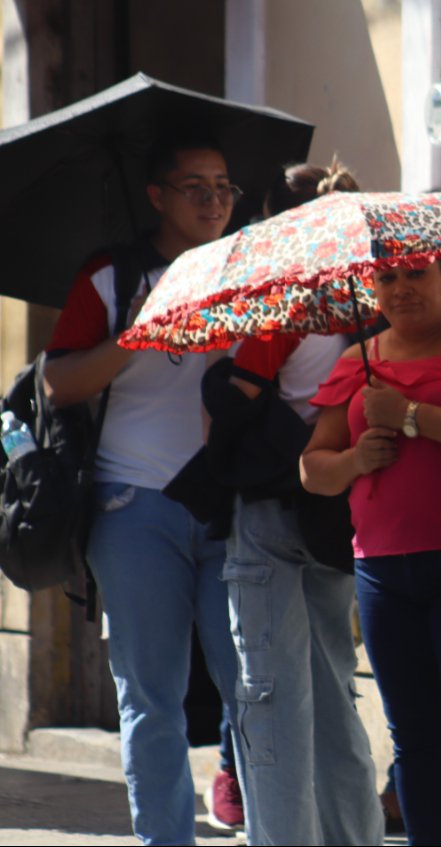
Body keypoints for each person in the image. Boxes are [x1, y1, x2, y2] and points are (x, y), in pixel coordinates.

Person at [43, 135, 242, 845]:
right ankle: (165, 837)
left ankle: (271, 825)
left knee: (251, 684)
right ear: (157, 195)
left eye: (223, 186)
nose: (214, 200)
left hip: (232, 504)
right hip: (133, 505)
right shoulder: (112, 274)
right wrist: (136, 336)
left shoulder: (248, 266)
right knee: (151, 694)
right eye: (195, 186)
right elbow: (57, 382)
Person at [300, 255, 441, 846]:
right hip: (382, 570)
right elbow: (312, 470)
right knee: (413, 739)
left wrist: (410, 417)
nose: (401, 289)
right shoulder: (355, 360)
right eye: (387, 278)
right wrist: (353, 461)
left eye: (417, 275)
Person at [210, 158, 383, 846]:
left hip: (277, 515)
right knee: (336, 700)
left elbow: (229, 401)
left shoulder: (290, 304)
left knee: (275, 702)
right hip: (344, 519)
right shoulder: (382, 304)